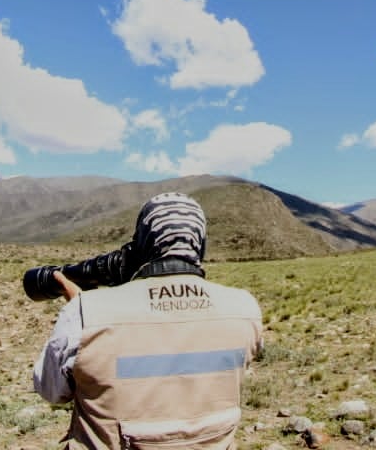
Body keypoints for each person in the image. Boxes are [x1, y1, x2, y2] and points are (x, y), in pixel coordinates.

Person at [33, 192, 263, 450]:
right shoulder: (245, 308)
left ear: (141, 244)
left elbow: (51, 391)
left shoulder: (85, 313)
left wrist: (81, 309)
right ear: (201, 244)